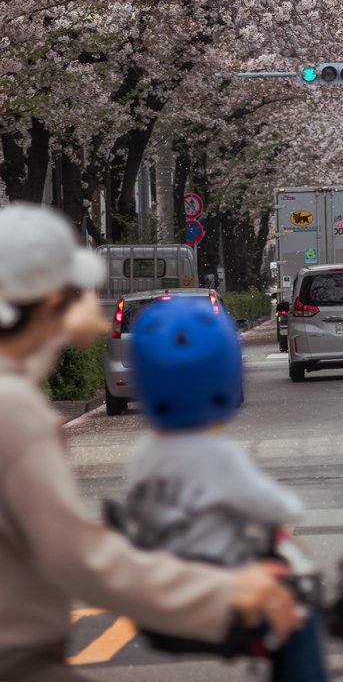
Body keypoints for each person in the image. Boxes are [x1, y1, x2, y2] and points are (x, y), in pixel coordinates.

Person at [0, 203, 299, 682]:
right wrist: (220, 596)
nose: (95, 315)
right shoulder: (13, 409)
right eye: (79, 293)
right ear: (50, 299)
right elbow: (75, 554)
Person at [121, 294, 328, 680]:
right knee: (300, 618)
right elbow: (277, 508)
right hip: (214, 595)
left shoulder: (143, 456)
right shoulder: (216, 457)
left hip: (159, 600)